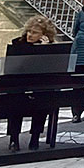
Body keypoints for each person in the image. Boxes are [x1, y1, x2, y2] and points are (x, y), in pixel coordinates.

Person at [7, 16, 57, 151]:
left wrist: (45, 49)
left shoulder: (51, 48)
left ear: (44, 35)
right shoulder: (18, 44)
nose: (30, 35)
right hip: (19, 84)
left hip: (40, 85)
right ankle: (14, 139)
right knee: (15, 101)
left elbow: (52, 70)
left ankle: (35, 137)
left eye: (34, 33)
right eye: (29, 31)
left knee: (44, 100)